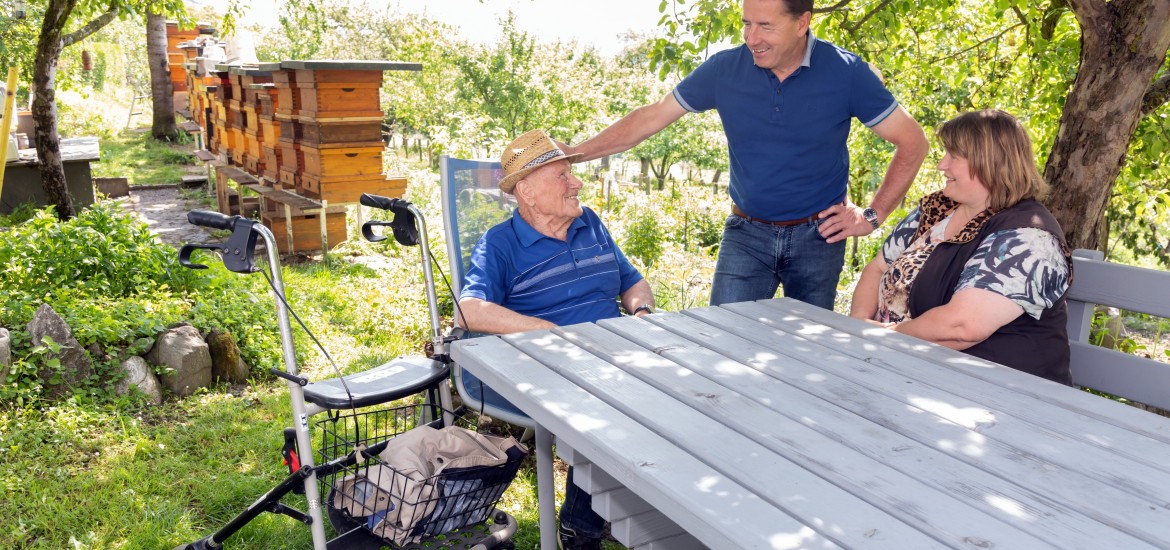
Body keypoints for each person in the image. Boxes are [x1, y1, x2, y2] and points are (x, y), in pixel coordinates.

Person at [560, 0, 928, 310]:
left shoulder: (848, 73)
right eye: (746, 24)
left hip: (820, 238)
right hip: (746, 235)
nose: (752, 38)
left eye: (765, 26)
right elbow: (651, 117)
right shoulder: (724, 69)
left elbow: (913, 142)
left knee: (807, 357)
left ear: (802, 22)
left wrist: (871, 215)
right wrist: (576, 153)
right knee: (723, 342)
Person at [457, 129, 655, 549]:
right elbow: (469, 310)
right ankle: (581, 526)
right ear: (526, 191)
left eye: (572, 174)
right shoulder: (501, 243)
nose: (577, 183)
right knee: (614, 403)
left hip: (614, 348)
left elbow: (633, 282)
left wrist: (641, 313)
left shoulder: (590, 223)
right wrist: (548, 332)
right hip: (549, 362)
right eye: (562, 176)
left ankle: (641, 512)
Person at [849, 109, 1073, 384]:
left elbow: (962, 327)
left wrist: (883, 335)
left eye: (953, 156)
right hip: (908, 373)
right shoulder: (937, 210)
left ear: (989, 162)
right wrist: (857, 326)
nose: (941, 165)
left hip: (998, 394)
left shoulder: (1029, 238)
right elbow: (876, 269)